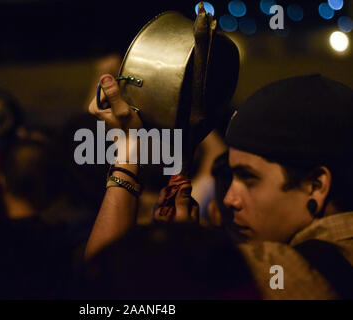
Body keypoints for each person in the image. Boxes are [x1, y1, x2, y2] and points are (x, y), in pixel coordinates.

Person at [85, 71, 353, 299]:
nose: (229, 200)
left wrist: (129, 150)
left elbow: (101, 282)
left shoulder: (281, 269)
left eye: (249, 178)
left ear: (316, 185)